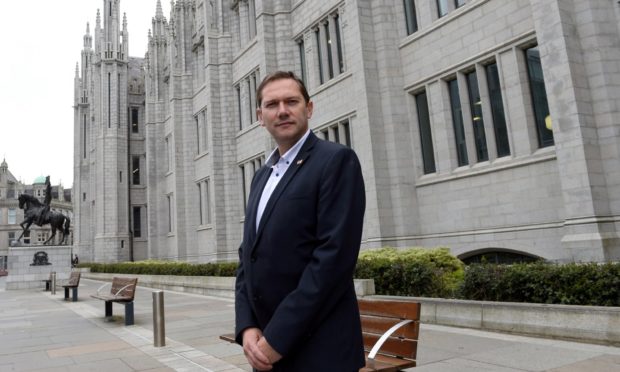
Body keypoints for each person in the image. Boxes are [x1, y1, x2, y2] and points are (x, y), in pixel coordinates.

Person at [235, 71, 366, 371]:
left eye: (291, 101)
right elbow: (247, 258)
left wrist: (278, 339)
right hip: (265, 349)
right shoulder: (261, 176)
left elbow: (332, 261)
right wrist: (247, 326)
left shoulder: (335, 161)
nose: (282, 110)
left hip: (319, 351)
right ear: (260, 116)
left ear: (308, 108)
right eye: (272, 104)